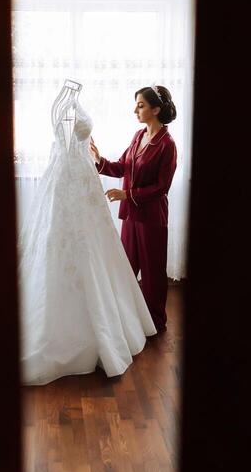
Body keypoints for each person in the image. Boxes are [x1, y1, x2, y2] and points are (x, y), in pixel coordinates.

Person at [18, 80, 156, 385]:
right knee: (71, 245)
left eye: (141, 104)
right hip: (72, 179)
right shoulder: (65, 103)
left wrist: (94, 158)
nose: (136, 109)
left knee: (97, 249)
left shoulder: (69, 101)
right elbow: (67, 143)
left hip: (81, 179)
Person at [90, 85, 177, 332]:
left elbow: (162, 187)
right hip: (131, 216)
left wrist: (126, 194)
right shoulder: (138, 136)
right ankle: (129, 320)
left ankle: (156, 324)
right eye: (136, 104)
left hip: (151, 218)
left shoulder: (167, 144)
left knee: (152, 275)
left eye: (141, 105)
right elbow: (122, 167)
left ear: (156, 109)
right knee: (126, 269)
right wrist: (100, 160)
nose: (135, 110)